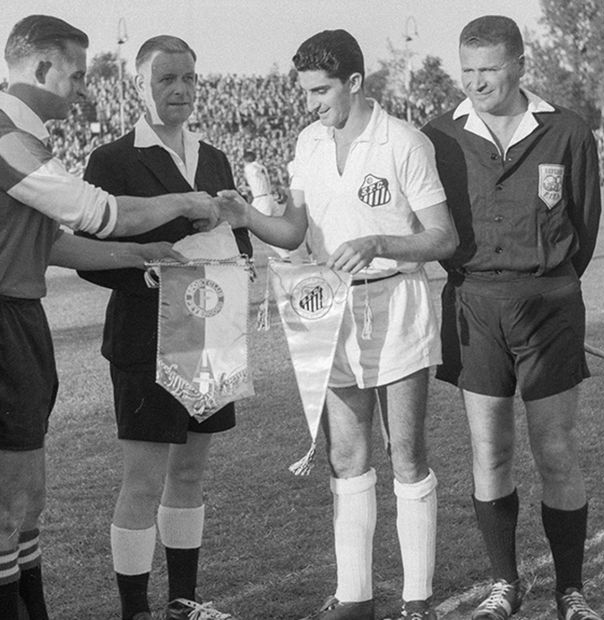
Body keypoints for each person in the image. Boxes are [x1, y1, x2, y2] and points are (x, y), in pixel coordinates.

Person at [0, 15, 217, 619]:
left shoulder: (23, 139)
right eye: (77, 74)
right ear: (40, 70)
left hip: (16, 319)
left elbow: (51, 243)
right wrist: (183, 203)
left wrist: (137, 253)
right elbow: (98, 211)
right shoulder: (2, 140)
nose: (86, 89)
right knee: (4, 504)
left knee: (29, 499)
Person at [218, 29, 456, 620]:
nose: (311, 103)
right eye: (304, 92)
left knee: (407, 453)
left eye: (321, 91)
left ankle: (417, 599)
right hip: (330, 313)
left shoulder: (403, 142)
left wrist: (380, 240)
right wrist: (245, 214)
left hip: (397, 305)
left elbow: (443, 237)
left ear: (355, 82)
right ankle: (355, 598)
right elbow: (294, 232)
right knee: (347, 457)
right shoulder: (308, 141)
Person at [421, 16, 603, 620]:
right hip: (475, 305)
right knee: (489, 450)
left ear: (520, 65)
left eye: (490, 69)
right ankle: (505, 585)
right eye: (467, 70)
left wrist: (543, 277)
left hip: (549, 304)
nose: (476, 82)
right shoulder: (439, 136)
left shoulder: (568, 131)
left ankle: (570, 591)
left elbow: (585, 231)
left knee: (555, 448)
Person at [79, 35, 251, 620]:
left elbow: (238, 241)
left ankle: (183, 602)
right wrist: (152, 273)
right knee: (144, 480)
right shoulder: (112, 160)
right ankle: (136, 611)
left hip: (211, 334)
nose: (179, 90)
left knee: (192, 472)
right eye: (165, 80)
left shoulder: (215, 157)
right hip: (145, 341)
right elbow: (88, 256)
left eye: (188, 80)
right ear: (139, 85)